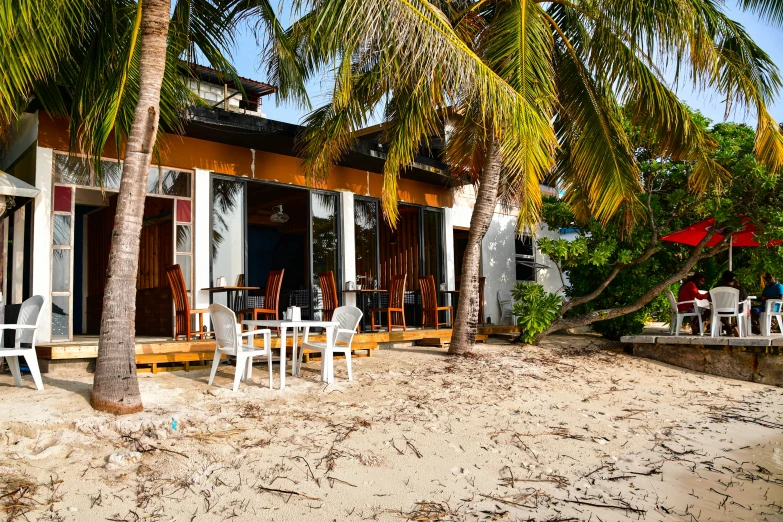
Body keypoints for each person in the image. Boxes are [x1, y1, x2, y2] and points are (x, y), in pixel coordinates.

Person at [714, 270, 748, 336]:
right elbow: (745, 298)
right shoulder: (740, 289)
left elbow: (710, 299)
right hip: (736, 310)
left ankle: (728, 326)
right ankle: (737, 326)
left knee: (714, 310)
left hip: (720, 311)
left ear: (723, 279)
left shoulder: (716, 289)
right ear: (733, 279)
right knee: (744, 307)